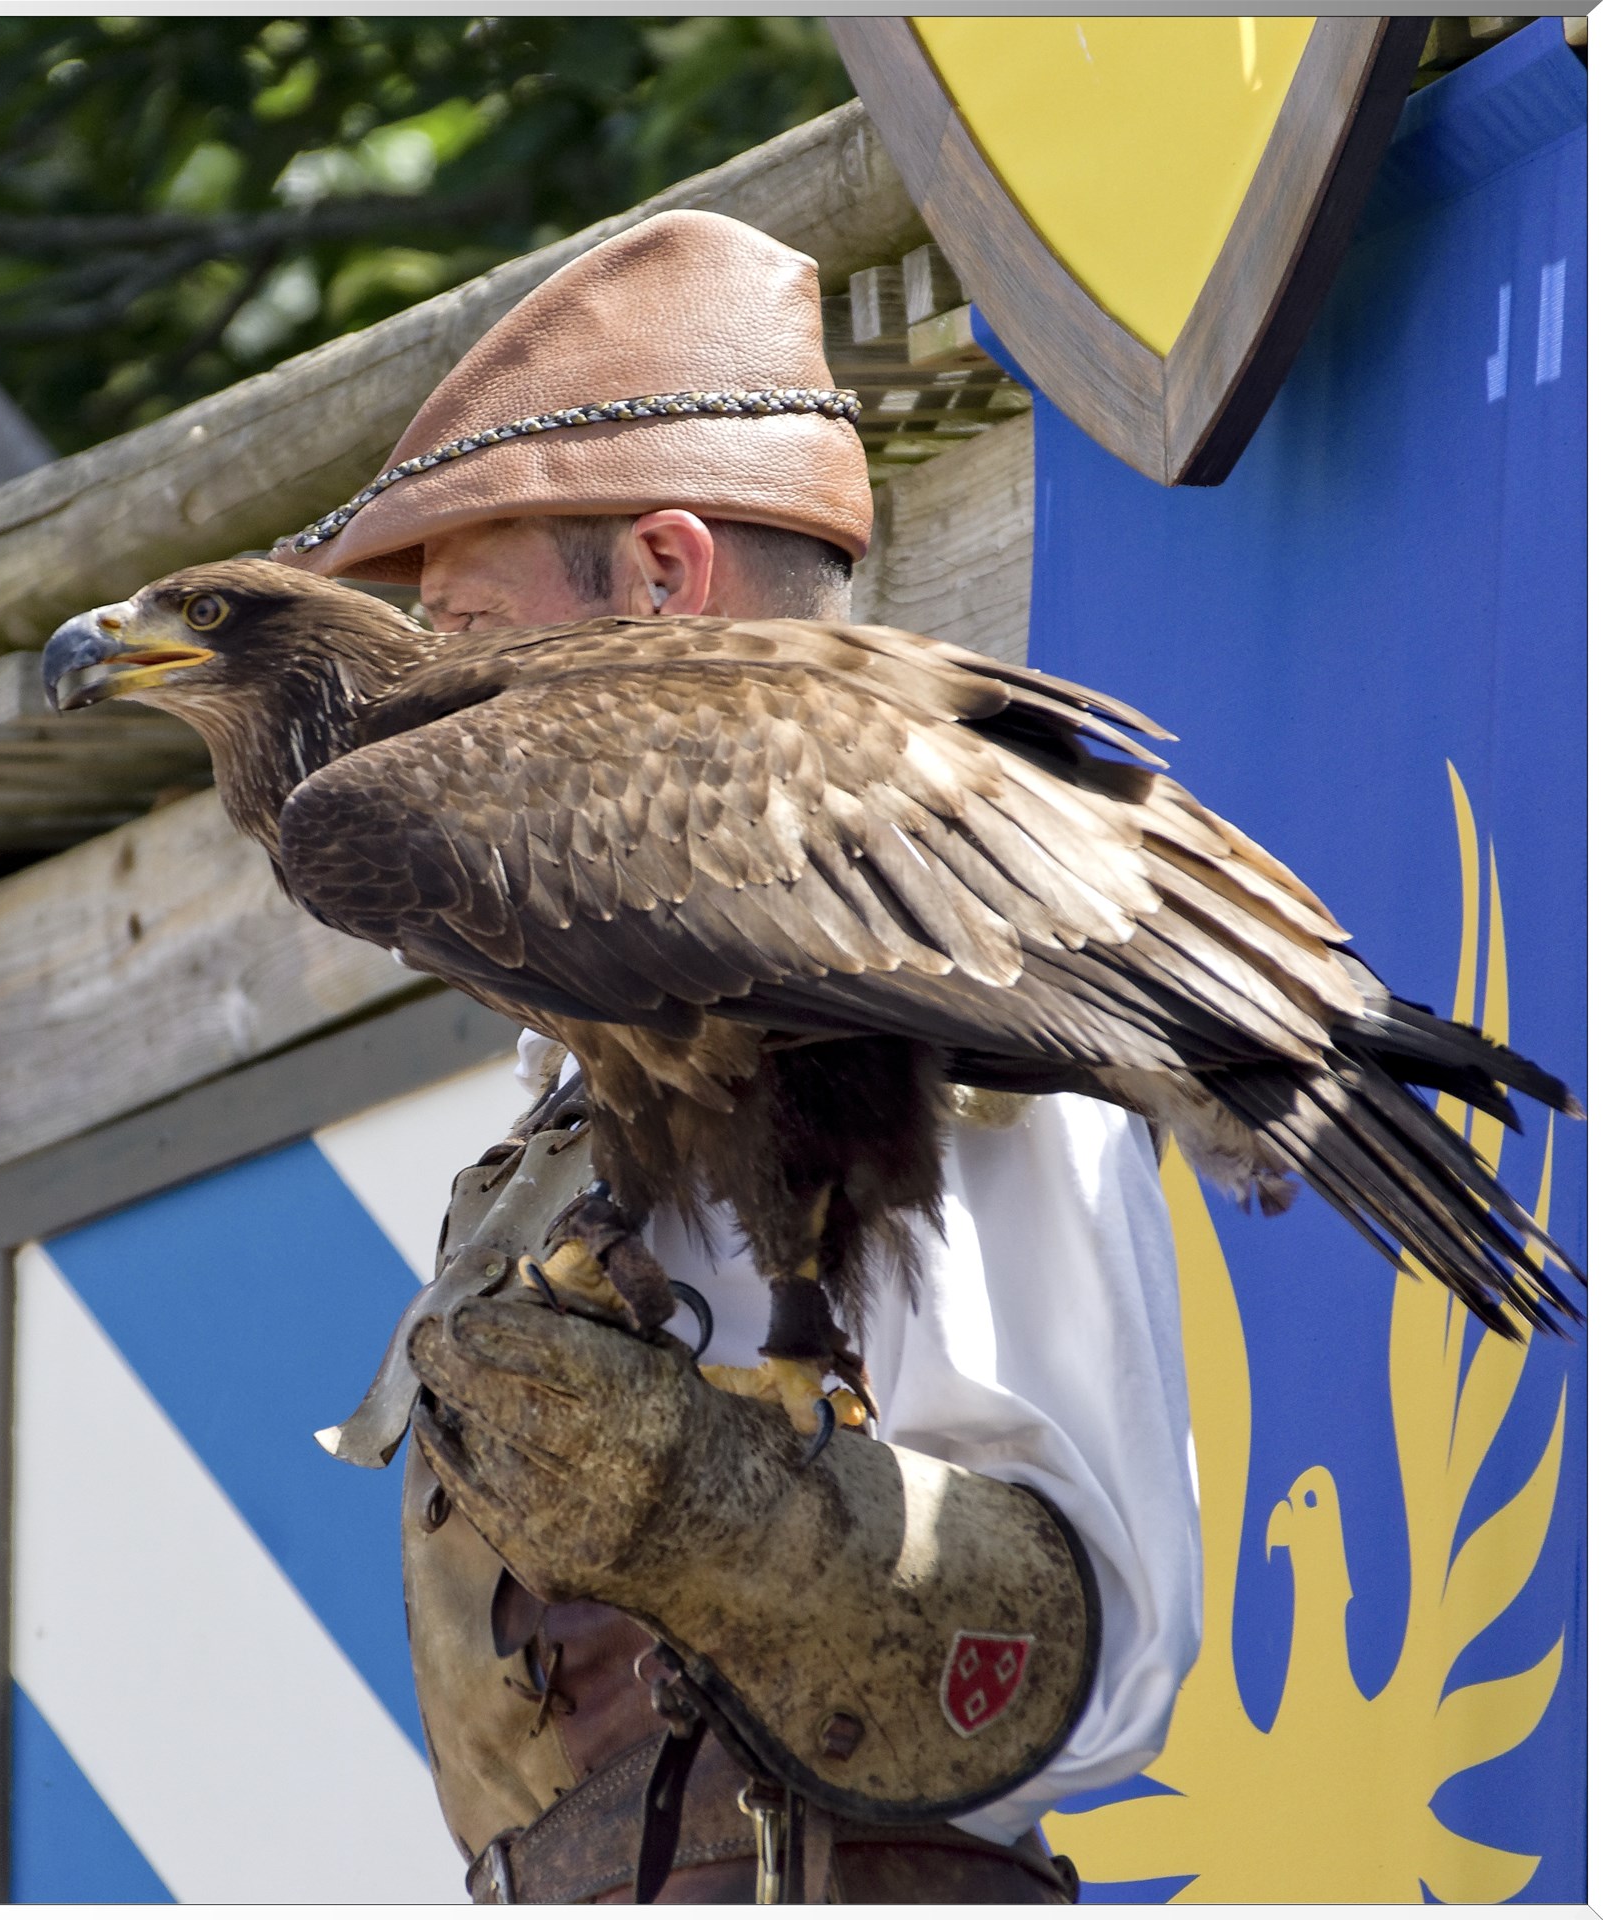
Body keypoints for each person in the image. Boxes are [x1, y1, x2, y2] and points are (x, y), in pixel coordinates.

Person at [276, 209, 1201, 1904]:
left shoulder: (951, 1005)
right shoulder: (573, 1098)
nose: (426, 720)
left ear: (660, 580)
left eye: (467, 637)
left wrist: (728, 1518)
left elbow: (1098, 1662)